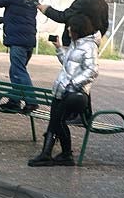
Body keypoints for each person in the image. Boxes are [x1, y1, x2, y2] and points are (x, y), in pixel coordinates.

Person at [28, 14, 99, 167]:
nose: (68, 29)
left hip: (74, 94)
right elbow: (68, 64)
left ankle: (56, 154)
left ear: (78, 28)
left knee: (57, 121)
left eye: (70, 27)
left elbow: (92, 71)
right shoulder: (75, 43)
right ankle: (57, 154)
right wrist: (59, 48)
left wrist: (73, 84)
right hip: (62, 90)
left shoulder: (89, 46)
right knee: (55, 121)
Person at [0, 0, 40, 112]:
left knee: (19, 71)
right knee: (15, 71)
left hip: (17, 41)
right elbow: (19, 6)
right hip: (29, 40)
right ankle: (14, 100)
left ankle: (32, 101)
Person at [37, 0, 108, 46]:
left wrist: (46, 9)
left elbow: (63, 17)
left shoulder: (82, 2)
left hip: (76, 44)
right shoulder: (103, 3)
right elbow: (105, 26)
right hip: (92, 45)